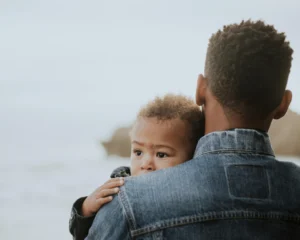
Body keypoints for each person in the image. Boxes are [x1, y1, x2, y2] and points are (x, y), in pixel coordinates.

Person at [83, 20, 300, 239]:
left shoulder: (129, 205)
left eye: (160, 154)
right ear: (284, 104)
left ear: (200, 89)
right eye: (138, 152)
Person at [69, 94, 205, 239]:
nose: (145, 164)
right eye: (138, 152)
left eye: (161, 155)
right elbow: (84, 235)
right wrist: (85, 210)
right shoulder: (117, 189)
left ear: (191, 157)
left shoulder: (194, 199)